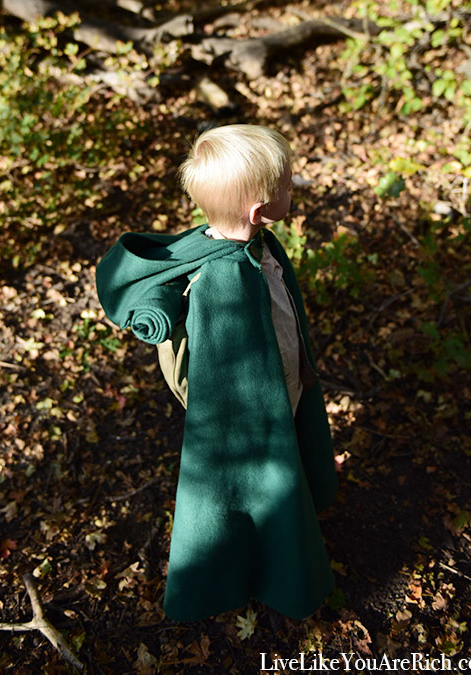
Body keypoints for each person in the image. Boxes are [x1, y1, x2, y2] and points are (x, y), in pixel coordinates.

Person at [95, 124, 337, 622]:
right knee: (254, 485)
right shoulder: (223, 281)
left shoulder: (257, 244)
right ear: (258, 209)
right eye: (287, 186)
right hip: (250, 418)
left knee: (278, 471)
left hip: (282, 383)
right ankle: (270, 572)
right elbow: (233, 378)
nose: (294, 190)